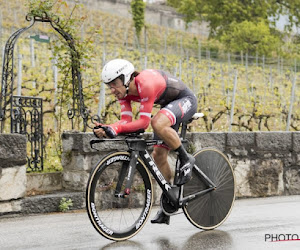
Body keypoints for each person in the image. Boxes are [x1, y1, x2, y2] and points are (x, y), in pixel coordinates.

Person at [94, 59, 197, 225]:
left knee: (157, 122)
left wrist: (116, 129)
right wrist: (108, 127)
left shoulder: (145, 83)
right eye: (109, 86)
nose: (112, 90)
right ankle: (169, 202)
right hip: (168, 106)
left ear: (126, 78)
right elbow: (125, 121)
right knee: (158, 155)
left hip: (185, 100)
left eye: (114, 84)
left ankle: (186, 158)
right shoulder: (124, 94)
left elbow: (143, 123)